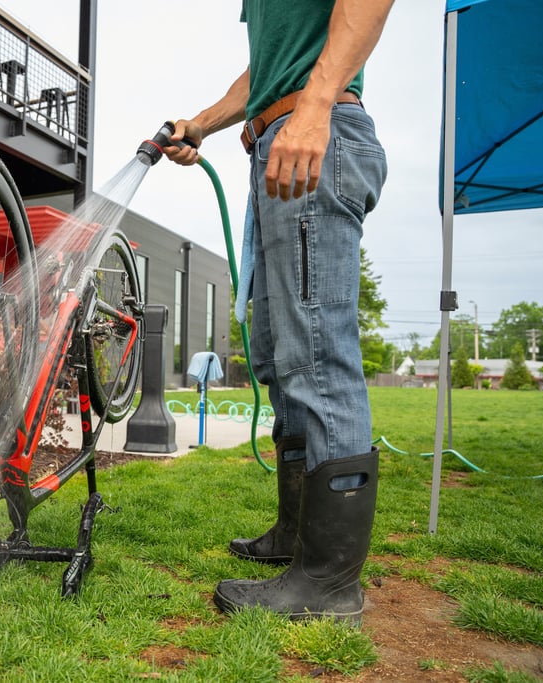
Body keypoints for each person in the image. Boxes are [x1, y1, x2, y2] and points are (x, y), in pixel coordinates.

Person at [164, 0, 394, 621]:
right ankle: (298, 538)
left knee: (316, 352)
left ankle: (329, 580)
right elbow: (266, 69)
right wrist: (203, 123)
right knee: (277, 354)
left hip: (315, 137)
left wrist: (314, 106)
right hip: (276, 145)